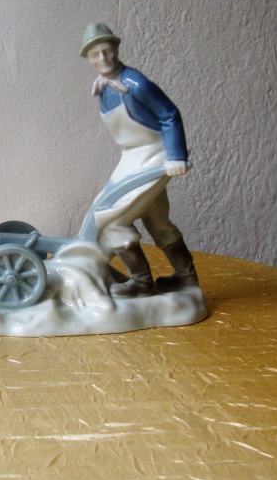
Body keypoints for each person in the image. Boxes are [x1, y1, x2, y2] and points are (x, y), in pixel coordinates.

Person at [80, 23, 198, 297]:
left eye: (107, 51)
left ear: (116, 49)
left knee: (111, 220)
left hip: (154, 156)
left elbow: (169, 115)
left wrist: (176, 156)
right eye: (95, 54)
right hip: (132, 157)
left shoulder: (136, 84)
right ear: (89, 59)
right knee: (158, 221)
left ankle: (141, 283)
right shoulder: (103, 89)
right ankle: (187, 279)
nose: (103, 59)